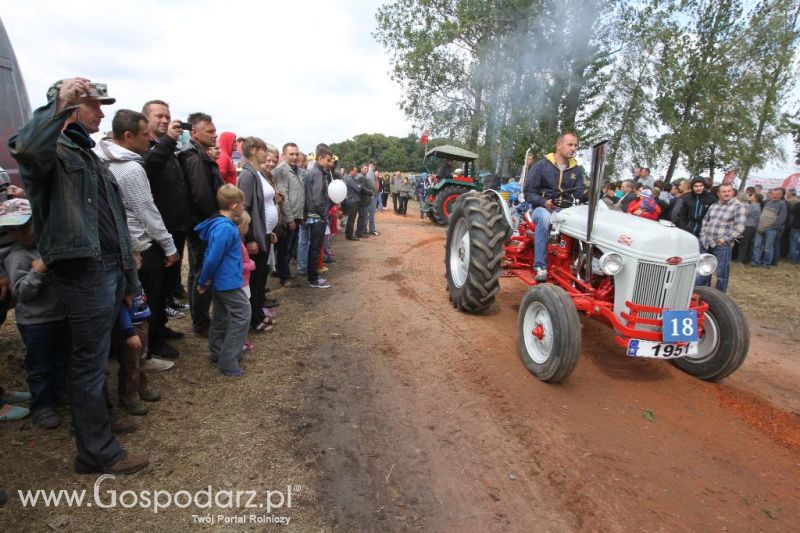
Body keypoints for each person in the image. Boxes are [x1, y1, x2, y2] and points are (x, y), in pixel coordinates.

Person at [9, 77, 147, 474]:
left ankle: (98, 424)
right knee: (88, 364)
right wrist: (59, 102)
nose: (102, 113)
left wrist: (128, 281)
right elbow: (25, 147)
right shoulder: (51, 150)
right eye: (94, 105)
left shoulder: (87, 153)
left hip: (106, 270)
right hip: (83, 271)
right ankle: (98, 452)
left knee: (93, 359)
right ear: (71, 107)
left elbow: (114, 222)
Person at [95, 109, 181, 360]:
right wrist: (169, 247)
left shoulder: (100, 159)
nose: (149, 139)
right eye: (145, 135)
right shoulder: (131, 168)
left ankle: (124, 348)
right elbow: (146, 211)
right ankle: (145, 351)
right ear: (128, 135)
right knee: (146, 302)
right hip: (141, 246)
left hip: (119, 245)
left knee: (126, 303)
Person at [0, 198, 69, 428]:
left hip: (59, 315)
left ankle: (60, 393)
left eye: (25, 226)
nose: (21, 234)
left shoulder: (48, 246)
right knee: (39, 364)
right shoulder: (17, 257)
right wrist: (37, 273)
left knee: (60, 358)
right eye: (13, 230)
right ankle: (42, 405)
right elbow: (21, 292)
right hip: (35, 322)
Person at [141, 100, 192, 364]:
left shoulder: (169, 148)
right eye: (159, 116)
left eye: (168, 116)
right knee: (155, 289)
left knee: (166, 289)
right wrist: (169, 140)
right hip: (156, 233)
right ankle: (152, 342)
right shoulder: (149, 149)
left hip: (174, 229)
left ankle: (160, 328)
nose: (164, 120)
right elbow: (148, 169)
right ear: (145, 119)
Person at [195, 185, 250, 377]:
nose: (244, 207)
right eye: (242, 204)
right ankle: (228, 361)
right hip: (227, 282)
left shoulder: (220, 225)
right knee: (243, 314)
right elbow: (212, 258)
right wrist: (203, 281)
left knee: (221, 317)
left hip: (223, 280)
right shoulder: (225, 229)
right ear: (234, 206)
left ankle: (218, 352)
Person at [179, 112, 222, 336]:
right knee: (203, 273)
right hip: (202, 226)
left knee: (197, 272)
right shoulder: (193, 157)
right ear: (194, 133)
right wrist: (217, 221)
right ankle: (202, 323)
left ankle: (200, 318)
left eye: (215, 131)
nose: (215, 135)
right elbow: (202, 195)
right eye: (210, 131)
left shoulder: (200, 154)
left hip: (202, 225)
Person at [523, 132, 585, 282]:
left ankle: (577, 268)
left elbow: (579, 193)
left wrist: (589, 195)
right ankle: (540, 266)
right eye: (570, 144)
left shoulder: (577, 170)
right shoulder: (541, 166)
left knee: (583, 224)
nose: (573, 148)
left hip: (566, 211)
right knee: (545, 218)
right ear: (559, 145)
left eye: (575, 145)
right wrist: (544, 202)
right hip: (541, 208)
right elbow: (528, 193)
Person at [237, 137, 276, 331]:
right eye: (263, 150)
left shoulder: (257, 172)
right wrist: (250, 238)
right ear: (253, 150)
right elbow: (245, 209)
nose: (266, 154)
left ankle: (258, 313)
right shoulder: (248, 175)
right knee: (254, 281)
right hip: (256, 237)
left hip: (264, 234)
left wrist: (269, 232)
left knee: (260, 279)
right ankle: (253, 319)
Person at [697, 183, 745, 292]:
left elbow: (739, 227)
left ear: (732, 192)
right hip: (706, 243)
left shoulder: (738, 206)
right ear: (718, 193)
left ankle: (719, 296)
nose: (727, 193)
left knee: (721, 273)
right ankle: (704, 293)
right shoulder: (714, 206)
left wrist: (724, 239)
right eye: (723, 191)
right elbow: (705, 220)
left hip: (722, 246)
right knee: (704, 270)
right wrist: (703, 236)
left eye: (729, 191)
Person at [272, 142, 304, 288]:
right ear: (284, 155)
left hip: (296, 215)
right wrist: (290, 219)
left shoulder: (296, 170)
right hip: (287, 218)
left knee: (289, 247)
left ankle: (283, 271)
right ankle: (284, 277)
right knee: (285, 248)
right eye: (291, 154)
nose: (295, 157)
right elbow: (283, 197)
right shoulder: (281, 171)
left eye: (296, 154)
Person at [305, 147, 332, 288]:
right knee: (315, 248)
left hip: (315, 215)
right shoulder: (317, 174)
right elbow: (317, 199)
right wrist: (324, 215)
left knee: (314, 248)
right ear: (320, 158)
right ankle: (313, 278)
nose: (329, 163)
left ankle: (313, 275)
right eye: (327, 160)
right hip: (317, 216)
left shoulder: (317, 172)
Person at [751, 188, 787, 269]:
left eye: (777, 194)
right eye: (773, 194)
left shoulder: (782, 204)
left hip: (771, 229)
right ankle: (755, 262)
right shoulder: (767, 202)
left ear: (780, 195)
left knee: (768, 247)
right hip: (760, 227)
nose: (774, 196)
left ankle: (766, 264)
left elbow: (782, 218)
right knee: (757, 246)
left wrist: (773, 227)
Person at [738, 192, 762, 264]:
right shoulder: (757, 206)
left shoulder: (752, 206)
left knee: (744, 243)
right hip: (753, 226)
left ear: (755, 198)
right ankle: (747, 259)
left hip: (748, 226)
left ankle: (741, 259)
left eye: (752, 195)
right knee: (749, 244)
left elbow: (745, 214)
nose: (750, 196)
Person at [343, 166, 362, 240]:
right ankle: (349, 235)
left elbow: (358, 186)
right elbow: (358, 189)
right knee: (351, 219)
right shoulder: (350, 179)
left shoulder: (351, 178)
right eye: (355, 171)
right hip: (352, 201)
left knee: (351, 219)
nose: (356, 172)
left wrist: (358, 186)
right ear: (350, 171)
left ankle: (348, 234)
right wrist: (359, 186)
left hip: (352, 200)